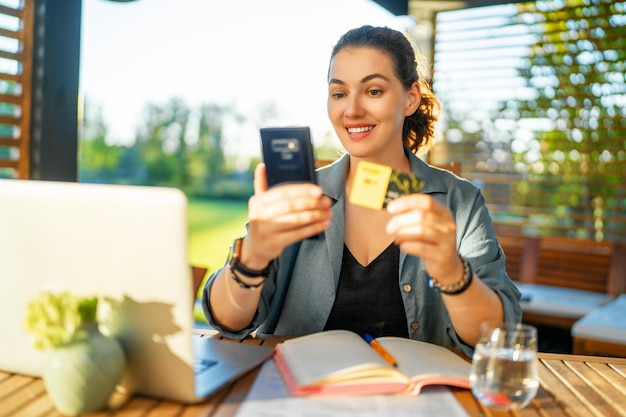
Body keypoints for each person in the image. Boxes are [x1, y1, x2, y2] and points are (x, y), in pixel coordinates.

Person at [202, 25, 521, 356]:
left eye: (373, 91)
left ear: (410, 97)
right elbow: (228, 322)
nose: (351, 110)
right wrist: (252, 258)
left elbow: (497, 337)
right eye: (339, 94)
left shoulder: (461, 203)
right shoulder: (299, 195)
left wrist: (453, 272)